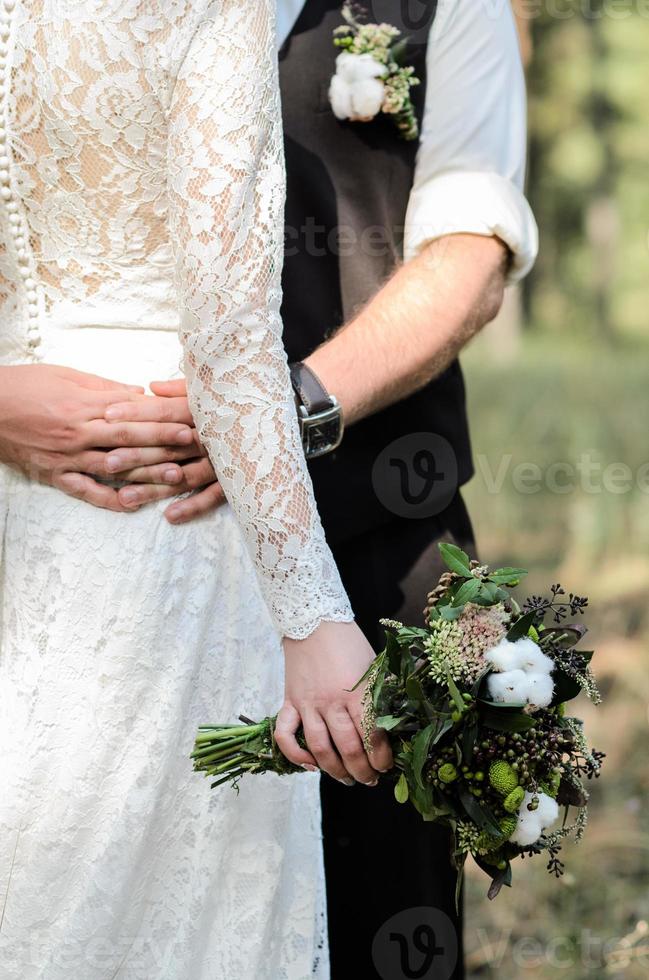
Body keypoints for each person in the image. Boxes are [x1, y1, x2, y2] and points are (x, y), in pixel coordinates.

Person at [0, 3, 538, 978]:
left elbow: (473, 249)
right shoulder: (206, 18)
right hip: (97, 527)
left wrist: (277, 419)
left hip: (368, 519)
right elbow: (223, 320)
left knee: (380, 908)